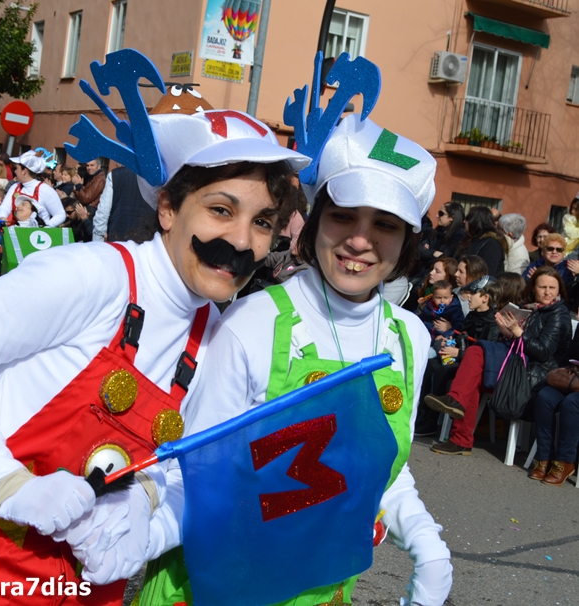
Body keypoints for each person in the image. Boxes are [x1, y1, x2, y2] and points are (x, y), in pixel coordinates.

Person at [0, 47, 309, 606]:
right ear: (168, 209)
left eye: (263, 223)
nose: (241, 242)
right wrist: (8, 484)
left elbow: (198, 474)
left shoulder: (219, 333)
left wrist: (149, 517)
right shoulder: (93, 276)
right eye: (221, 210)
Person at [128, 106, 452, 603]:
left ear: (408, 239)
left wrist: (426, 542)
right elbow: (190, 478)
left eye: (385, 224)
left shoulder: (410, 338)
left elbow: (381, 466)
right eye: (343, 216)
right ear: (315, 222)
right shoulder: (251, 323)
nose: (360, 241)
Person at [426, 266, 572, 456]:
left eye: (552, 288)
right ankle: (459, 437)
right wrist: (507, 332)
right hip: (515, 361)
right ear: (533, 288)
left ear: (559, 289)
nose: (547, 292)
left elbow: (543, 353)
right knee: (474, 369)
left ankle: (457, 415)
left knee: (477, 351)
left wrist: (518, 332)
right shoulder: (529, 308)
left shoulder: (558, 314)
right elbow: (518, 342)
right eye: (542, 287)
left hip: (534, 372)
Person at [414, 276, 502, 437]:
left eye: (472, 294)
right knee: (430, 365)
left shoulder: (493, 322)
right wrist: (450, 341)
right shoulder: (472, 315)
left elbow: (487, 352)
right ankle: (422, 412)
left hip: (474, 368)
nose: (467, 297)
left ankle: (432, 420)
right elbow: (462, 336)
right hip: (459, 356)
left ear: (485, 298)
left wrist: (459, 353)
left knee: (442, 371)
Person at [529, 325, 579, 486]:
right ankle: (545, 457)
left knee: (571, 404)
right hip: (573, 379)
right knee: (545, 397)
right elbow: (571, 353)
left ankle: (565, 461)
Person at [460, 206, 507, 276]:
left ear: (475, 221)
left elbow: (486, 274)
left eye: (467, 219)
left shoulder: (492, 245)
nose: (464, 222)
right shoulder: (470, 239)